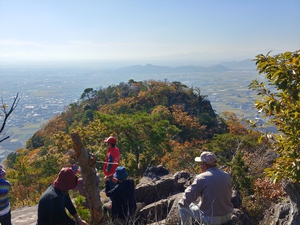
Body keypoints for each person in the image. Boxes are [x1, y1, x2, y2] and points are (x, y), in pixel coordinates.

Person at [178, 151, 234, 225]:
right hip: (227, 215)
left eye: (200, 164)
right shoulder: (226, 175)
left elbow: (187, 197)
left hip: (211, 219)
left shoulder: (202, 177)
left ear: (204, 165)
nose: (200, 166)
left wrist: (182, 202)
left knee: (182, 206)